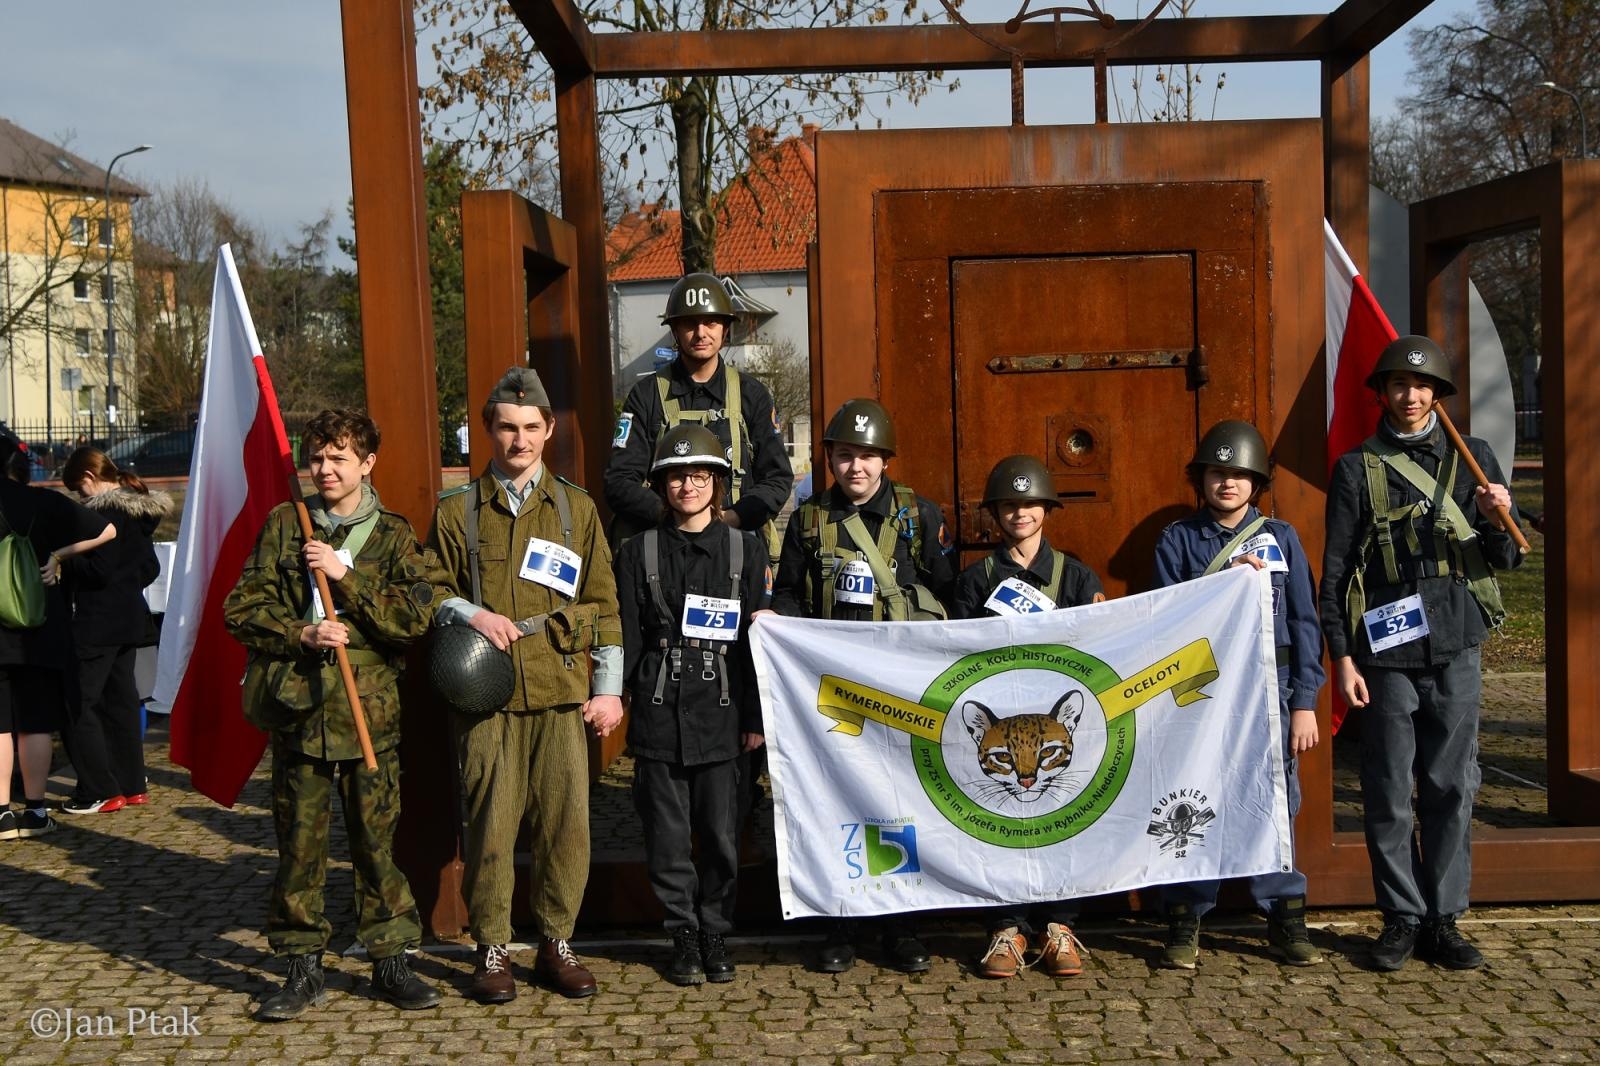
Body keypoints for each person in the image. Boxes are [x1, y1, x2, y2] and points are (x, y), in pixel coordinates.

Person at [223, 410, 442, 1019]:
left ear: (368, 463)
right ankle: (299, 969)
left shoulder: (393, 535)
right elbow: (240, 609)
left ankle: (391, 962)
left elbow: (411, 621)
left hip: (369, 715)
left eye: (339, 457)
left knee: (377, 846)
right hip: (301, 715)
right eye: (317, 457)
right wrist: (302, 632)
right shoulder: (284, 527)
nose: (325, 469)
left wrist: (347, 579)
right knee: (298, 849)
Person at [1321, 336, 1522, 973]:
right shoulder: (1356, 468)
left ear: (1438, 394)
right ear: (1381, 394)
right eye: (1398, 386)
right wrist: (1342, 659)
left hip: (1457, 638)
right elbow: (1334, 572)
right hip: (1383, 649)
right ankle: (1400, 918)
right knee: (1386, 788)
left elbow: (1507, 557)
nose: (1410, 397)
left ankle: (1445, 917)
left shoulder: (1473, 457)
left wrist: (1497, 516)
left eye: (1422, 386)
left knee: (1452, 784)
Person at [426, 366, 624, 1003]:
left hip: (562, 691)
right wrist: (472, 613)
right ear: (487, 430)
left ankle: (556, 942)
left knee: (567, 827)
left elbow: (605, 604)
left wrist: (609, 689)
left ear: (549, 430)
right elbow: (430, 591)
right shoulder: (459, 512)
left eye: (531, 428)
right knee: (490, 826)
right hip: (488, 696)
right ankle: (491, 948)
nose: (519, 440)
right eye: (507, 428)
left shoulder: (576, 507)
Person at [770, 397, 956, 973]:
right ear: (829, 459)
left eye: (867, 457)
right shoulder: (808, 519)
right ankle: (838, 924)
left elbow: (948, 594)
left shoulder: (918, 516)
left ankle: (901, 926)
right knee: (830, 799)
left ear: (885, 460)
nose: (856, 468)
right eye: (845, 456)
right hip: (830, 690)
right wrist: (775, 627)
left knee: (900, 801)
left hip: (899, 689)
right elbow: (791, 595)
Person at [1150, 420, 1325, 970]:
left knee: (1274, 801)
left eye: (1240, 474)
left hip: (1271, 695)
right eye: (1217, 473)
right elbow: (1166, 621)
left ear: (1257, 482)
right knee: (1192, 798)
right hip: (1202, 697)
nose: (1227, 483)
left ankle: (1285, 918)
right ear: (1200, 479)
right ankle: (1186, 915)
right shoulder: (1177, 540)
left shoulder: (1283, 538)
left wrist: (1304, 702)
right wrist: (1223, 583)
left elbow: (1304, 622)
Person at [614, 424, 769, 986]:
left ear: (718, 483)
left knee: (723, 834)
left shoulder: (745, 550)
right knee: (668, 837)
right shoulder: (637, 551)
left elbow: (758, 643)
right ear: (660, 484)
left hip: (725, 713)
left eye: (700, 475)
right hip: (659, 711)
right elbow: (628, 635)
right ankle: (681, 931)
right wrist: (615, 696)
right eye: (677, 476)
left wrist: (755, 720)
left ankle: (715, 930)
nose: (688, 486)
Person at [953, 455, 1103, 980]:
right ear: (996, 512)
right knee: (999, 829)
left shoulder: (1078, 576)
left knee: (1066, 826)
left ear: (1047, 509)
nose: (1021, 513)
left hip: (1056, 733)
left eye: (1030, 503)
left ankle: (1060, 925)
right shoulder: (975, 580)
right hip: (1001, 727)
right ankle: (1007, 927)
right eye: (1010, 505)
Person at [604, 272, 793, 560]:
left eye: (711, 322)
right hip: (663, 549)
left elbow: (777, 478)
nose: (701, 332)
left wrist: (732, 519)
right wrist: (674, 517)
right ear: (675, 330)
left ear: (725, 329)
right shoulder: (646, 396)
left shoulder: (752, 395)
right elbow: (619, 481)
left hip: (736, 547)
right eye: (690, 323)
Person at [0, 429, 115, 843]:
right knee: (34, 724)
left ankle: (0, 814)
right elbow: (106, 531)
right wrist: (56, 556)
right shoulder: (43, 502)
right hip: (39, 626)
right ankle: (34, 811)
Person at [58, 448, 171, 814]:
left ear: (89, 479)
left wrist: (67, 566)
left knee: (77, 704)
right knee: (121, 702)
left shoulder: (99, 516)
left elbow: (98, 571)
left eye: (79, 490)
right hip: (130, 620)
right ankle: (132, 783)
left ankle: (98, 788)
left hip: (96, 622)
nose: (80, 497)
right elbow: (150, 568)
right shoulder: (138, 512)